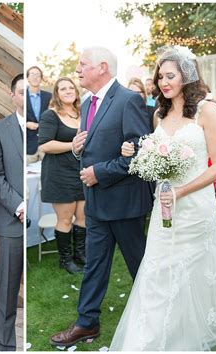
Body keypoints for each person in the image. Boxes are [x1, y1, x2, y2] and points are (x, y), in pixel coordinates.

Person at [113, 46, 216, 350]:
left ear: (186, 76)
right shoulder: (159, 113)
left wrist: (181, 191)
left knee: (194, 266)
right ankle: (150, 335)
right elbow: (157, 155)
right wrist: (135, 153)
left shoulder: (207, 109)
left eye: (170, 75)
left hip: (194, 205)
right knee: (157, 266)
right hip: (164, 204)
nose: (163, 82)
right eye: (160, 76)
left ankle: (187, 327)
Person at [49, 46, 153, 347]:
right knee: (94, 264)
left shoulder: (128, 100)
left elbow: (139, 154)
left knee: (140, 265)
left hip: (124, 202)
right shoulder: (89, 103)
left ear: (102, 67)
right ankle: (87, 323)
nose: (78, 69)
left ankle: (157, 316)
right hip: (95, 204)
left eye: (83, 65)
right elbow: (96, 146)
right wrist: (78, 149)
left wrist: (100, 172)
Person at [0, 73, 25, 351]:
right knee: (8, 293)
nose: (27, 97)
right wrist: (20, 206)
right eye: (22, 92)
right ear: (12, 96)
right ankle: (5, 347)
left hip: (43, 214)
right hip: (11, 221)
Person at [38, 77, 85, 274]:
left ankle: (81, 254)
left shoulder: (82, 113)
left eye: (70, 87)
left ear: (75, 91)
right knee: (65, 219)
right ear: (57, 94)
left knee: (83, 217)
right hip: (59, 173)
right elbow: (44, 145)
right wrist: (72, 145)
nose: (67, 91)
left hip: (81, 172)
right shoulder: (51, 115)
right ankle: (65, 260)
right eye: (62, 89)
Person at [26, 66, 52, 164]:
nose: (35, 77)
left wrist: (40, 126)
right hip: (28, 146)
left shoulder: (49, 96)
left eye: (38, 75)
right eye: (32, 74)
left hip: (46, 145)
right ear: (27, 78)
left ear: (41, 78)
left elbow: (53, 118)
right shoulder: (22, 95)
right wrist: (26, 124)